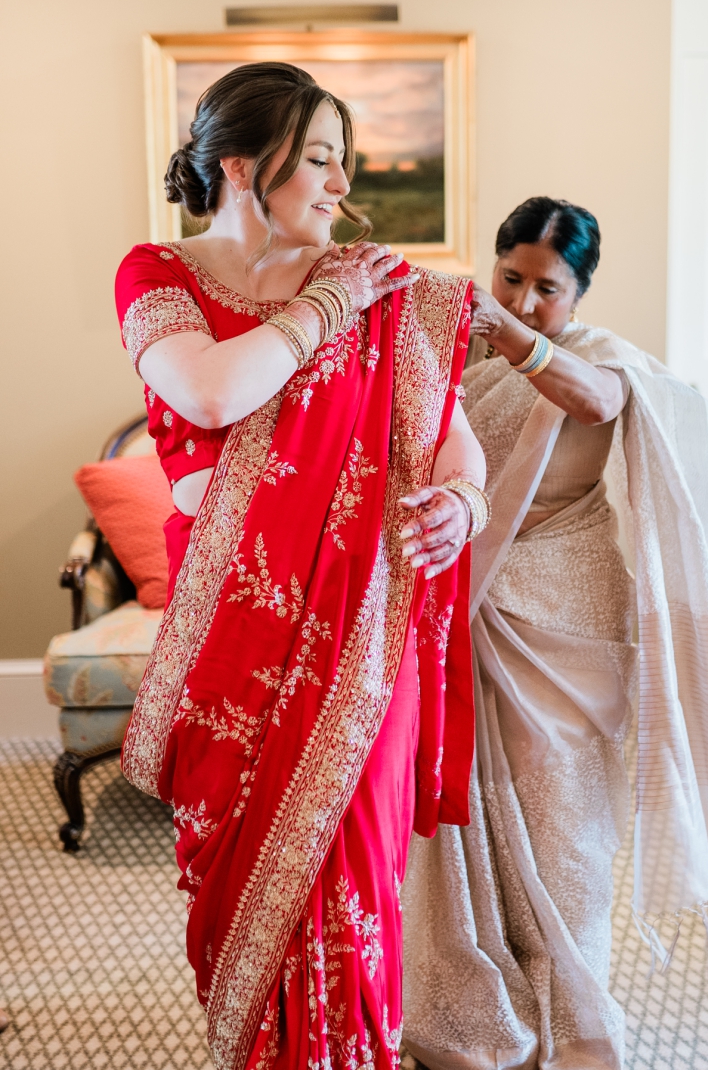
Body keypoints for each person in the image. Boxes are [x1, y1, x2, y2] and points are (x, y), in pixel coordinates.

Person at [116, 62, 485, 1070]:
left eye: (344, 162)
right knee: (235, 882)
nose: (340, 185)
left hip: (362, 633)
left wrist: (462, 502)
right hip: (230, 627)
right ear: (242, 163)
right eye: (319, 157)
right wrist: (324, 305)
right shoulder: (159, 274)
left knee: (354, 877)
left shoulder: (383, 294)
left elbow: (454, 446)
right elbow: (207, 394)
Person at [401, 198, 708, 1069]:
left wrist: (513, 335)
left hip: (570, 612)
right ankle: (475, 1008)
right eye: (511, 278)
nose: (527, 298)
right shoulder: (453, 354)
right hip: (465, 605)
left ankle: (574, 1017)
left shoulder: (599, 358)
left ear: (578, 294)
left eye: (550, 288)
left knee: (566, 825)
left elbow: (596, 401)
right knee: (461, 816)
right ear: (493, 263)